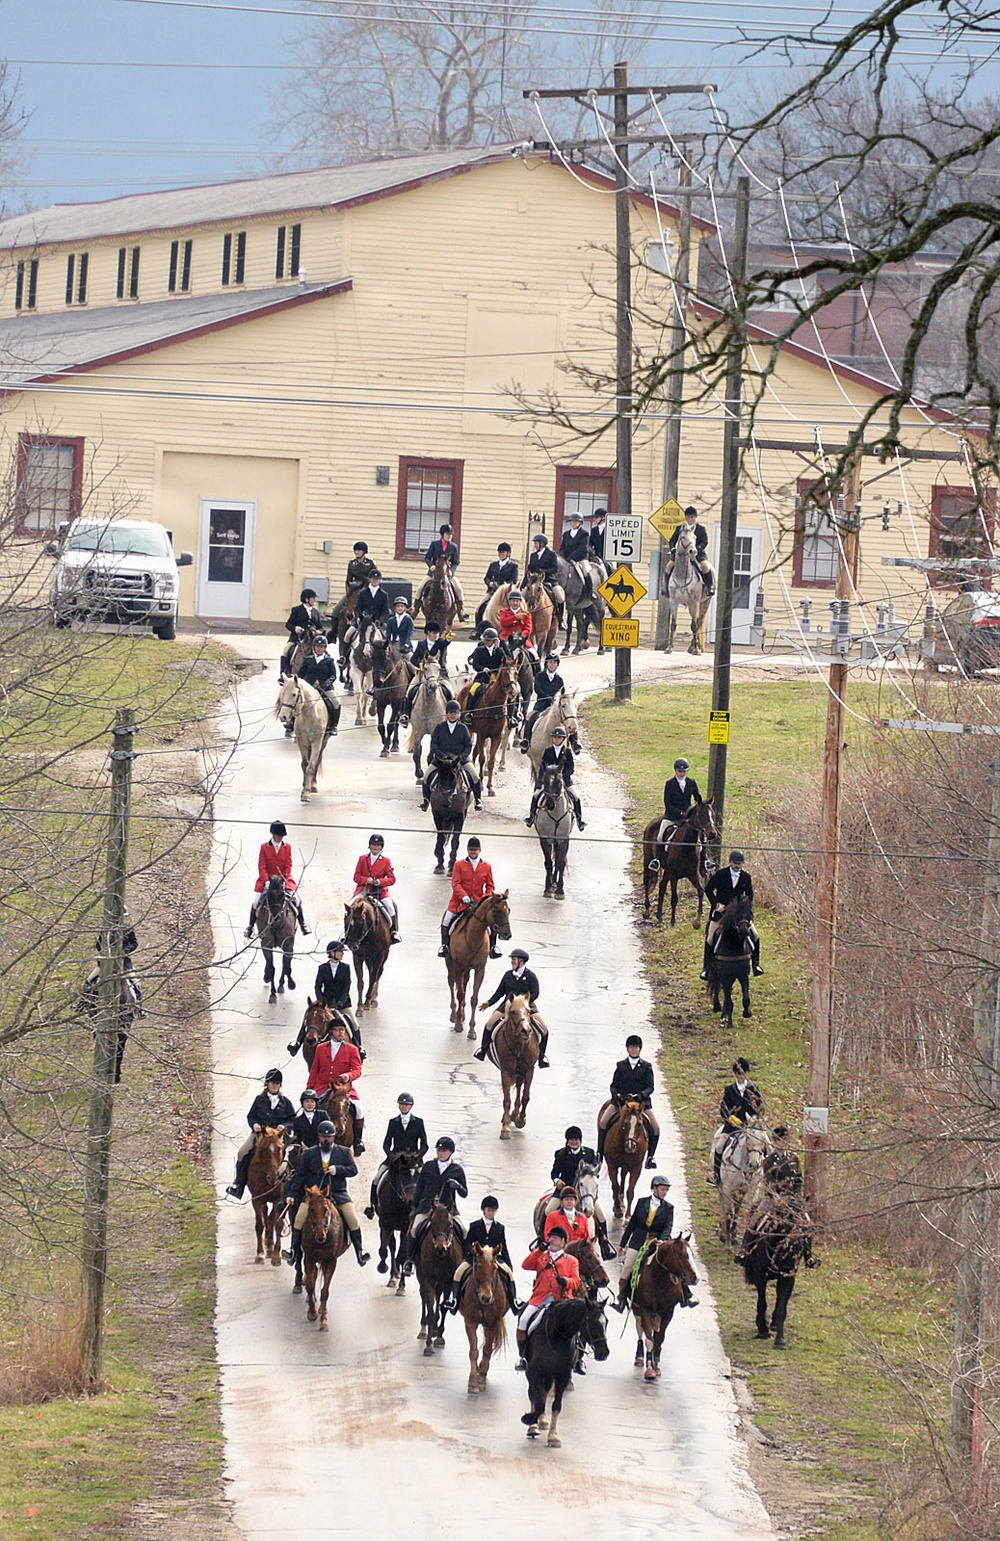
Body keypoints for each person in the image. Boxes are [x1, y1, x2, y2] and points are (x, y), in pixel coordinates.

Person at [282, 1118, 370, 1269]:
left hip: (338, 1193)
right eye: (323, 1136)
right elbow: (301, 1175)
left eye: (329, 1137)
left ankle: (360, 1252)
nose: (326, 1139)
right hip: (313, 1196)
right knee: (298, 1219)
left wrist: (338, 1170)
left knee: (353, 1219)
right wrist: (292, 1194)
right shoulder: (309, 1154)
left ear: (334, 1137)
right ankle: (293, 1251)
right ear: (319, 1137)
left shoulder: (343, 1152)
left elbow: (353, 1170)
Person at [613, 1176, 698, 1312]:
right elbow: (632, 1224)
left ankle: (686, 1295)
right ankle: (622, 1299)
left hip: (657, 1243)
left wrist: (663, 1240)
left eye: (666, 1190)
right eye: (663, 1189)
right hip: (638, 1242)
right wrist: (623, 1244)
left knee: (674, 1263)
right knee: (628, 1265)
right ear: (654, 1188)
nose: (664, 1192)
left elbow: (668, 1226)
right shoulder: (641, 1203)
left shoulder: (669, 1208)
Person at [400, 1136, 468, 1274]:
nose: (441, 1153)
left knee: (465, 1230)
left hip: (448, 1209)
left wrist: (458, 1186)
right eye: (439, 1150)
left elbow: (464, 1193)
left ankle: (466, 1262)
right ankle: (409, 1261)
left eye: (444, 1150)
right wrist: (415, 1208)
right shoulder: (429, 1166)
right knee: (414, 1229)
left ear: (450, 1152)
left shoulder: (457, 1170)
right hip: (427, 1207)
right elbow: (419, 1187)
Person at [515, 1227, 580, 1371]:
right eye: (551, 1237)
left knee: (578, 1325)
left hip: (562, 1300)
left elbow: (576, 1281)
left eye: (556, 1238)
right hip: (540, 1298)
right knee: (523, 1320)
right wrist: (538, 1250)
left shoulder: (571, 1261)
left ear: (563, 1242)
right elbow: (525, 1265)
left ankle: (578, 1360)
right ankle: (523, 1357)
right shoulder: (541, 1256)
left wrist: (566, 1281)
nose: (553, 1240)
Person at [473, 946, 549, 1068]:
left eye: (515, 960)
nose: (512, 962)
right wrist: (489, 1003)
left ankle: (542, 1057)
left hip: (527, 1007)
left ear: (522, 962)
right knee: (489, 1024)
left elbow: (535, 992)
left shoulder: (530, 976)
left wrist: (524, 1004)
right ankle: (483, 1050)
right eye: (512, 960)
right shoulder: (508, 975)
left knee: (544, 1029)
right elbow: (500, 992)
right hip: (507, 1006)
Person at [546, 1126, 615, 1259]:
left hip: (585, 1191)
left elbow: (595, 1170)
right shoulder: (560, 1154)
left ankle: (604, 1243)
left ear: (580, 1140)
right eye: (571, 1140)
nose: (574, 1142)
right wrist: (556, 1180)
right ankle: (542, 1241)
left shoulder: (589, 1153)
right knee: (548, 1211)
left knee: (601, 1215)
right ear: (567, 1141)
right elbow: (554, 1172)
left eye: (576, 1139)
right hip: (564, 1190)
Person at [226, 1068, 296, 1198]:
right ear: (267, 1084)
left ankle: (295, 1187)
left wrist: (285, 1126)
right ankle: (238, 1185)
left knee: (294, 1155)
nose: (275, 1086)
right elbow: (251, 1116)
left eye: (277, 1083)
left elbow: (292, 1119)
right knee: (242, 1153)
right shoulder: (259, 1100)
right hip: (261, 1135)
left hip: (279, 1136)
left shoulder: (285, 1102)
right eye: (272, 1083)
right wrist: (254, 1125)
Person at [597, 1035, 660, 1169]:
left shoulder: (646, 1066)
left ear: (640, 1049)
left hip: (641, 1104)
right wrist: (618, 1095)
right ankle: (600, 1153)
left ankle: (651, 1157)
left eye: (636, 1048)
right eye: (631, 1047)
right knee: (603, 1122)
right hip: (621, 1103)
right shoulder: (621, 1065)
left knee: (655, 1127)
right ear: (627, 1049)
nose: (633, 1050)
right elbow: (613, 1085)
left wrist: (639, 1096)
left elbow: (650, 1087)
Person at [291, 938, 362, 1055]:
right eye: (340, 951)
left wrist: (340, 1003)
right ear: (332, 953)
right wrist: (320, 1001)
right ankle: (297, 1043)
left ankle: (359, 1047)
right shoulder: (323, 968)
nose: (342, 953)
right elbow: (317, 986)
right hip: (325, 1002)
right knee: (309, 1017)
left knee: (353, 1023)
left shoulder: (346, 968)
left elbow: (346, 988)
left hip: (343, 1003)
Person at [306, 1018, 366, 1154]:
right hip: (322, 1087)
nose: (341, 1033)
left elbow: (358, 1069)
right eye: (338, 1030)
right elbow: (314, 1070)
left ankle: (358, 1141)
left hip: (343, 1088)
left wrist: (348, 1076)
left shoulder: (352, 1049)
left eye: (343, 1030)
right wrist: (309, 1089)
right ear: (331, 1032)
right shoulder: (320, 1048)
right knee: (309, 1109)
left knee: (359, 1109)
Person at [448, 1195, 518, 1311]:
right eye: (489, 1210)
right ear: (484, 1210)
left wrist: (508, 1263)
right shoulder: (475, 1225)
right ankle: (454, 1300)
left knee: (509, 1274)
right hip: (476, 1258)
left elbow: (503, 1247)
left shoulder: (500, 1228)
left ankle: (514, 1301)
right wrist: (472, 1250)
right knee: (458, 1272)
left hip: (493, 1259)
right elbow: (467, 1242)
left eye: (493, 1210)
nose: (491, 1213)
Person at [701, 850, 764, 978]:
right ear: (730, 862)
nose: (737, 866)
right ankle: (706, 968)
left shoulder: (746, 877)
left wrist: (744, 906)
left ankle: (756, 964)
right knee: (710, 938)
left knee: (755, 935)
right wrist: (716, 904)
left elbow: (750, 895)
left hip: (739, 916)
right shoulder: (721, 874)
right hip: (721, 913)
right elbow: (708, 889)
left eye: (739, 863)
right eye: (735, 863)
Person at [365, 1092, 428, 1218]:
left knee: (426, 1179)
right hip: (396, 1160)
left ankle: (426, 1208)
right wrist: (391, 1156)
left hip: (413, 1160)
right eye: (402, 1104)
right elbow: (386, 1144)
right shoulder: (393, 1122)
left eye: (406, 1104)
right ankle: (372, 1205)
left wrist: (418, 1156)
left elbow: (425, 1145)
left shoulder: (419, 1122)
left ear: (411, 1106)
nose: (404, 1107)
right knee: (377, 1178)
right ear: (398, 1106)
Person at [245, 820, 310, 938]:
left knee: (296, 900)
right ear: (273, 834)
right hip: (267, 881)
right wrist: (266, 881)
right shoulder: (264, 847)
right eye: (279, 835)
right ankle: (250, 927)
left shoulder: (287, 847)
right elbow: (262, 866)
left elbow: (288, 865)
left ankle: (303, 924)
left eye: (282, 836)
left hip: (283, 880)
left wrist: (283, 879)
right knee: (256, 902)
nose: (281, 838)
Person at [438, 836, 501, 958]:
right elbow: (455, 883)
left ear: (480, 851)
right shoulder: (459, 864)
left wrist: (485, 899)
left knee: (492, 923)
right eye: (471, 849)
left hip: (479, 903)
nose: (473, 852)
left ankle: (493, 947)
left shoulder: (487, 866)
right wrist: (463, 896)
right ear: (467, 850)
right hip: (459, 903)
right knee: (446, 920)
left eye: (475, 849)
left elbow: (490, 886)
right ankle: (444, 946)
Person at [709, 1057, 764, 1186]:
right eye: (739, 1074)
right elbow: (723, 1109)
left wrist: (754, 1118)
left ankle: (765, 1175)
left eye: (744, 1074)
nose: (742, 1077)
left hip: (750, 1127)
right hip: (732, 1127)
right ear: (735, 1074)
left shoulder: (754, 1090)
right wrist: (730, 1118)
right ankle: (716, 1175)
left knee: (766, 1145)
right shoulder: (729, 1090)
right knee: (719, 1146)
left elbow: (760, 1109)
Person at [421, 699, 483, 812]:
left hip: (459, 759)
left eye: (455, 713)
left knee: (475, 776)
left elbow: (468, 745)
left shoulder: (463, 728)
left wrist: (462, 757)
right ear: (446, 714)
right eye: (450, 713)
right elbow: (434, 744)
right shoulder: (439, 727)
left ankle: (478, 800)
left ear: (459, 714)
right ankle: (425, 800)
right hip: (441, 760)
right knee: (426, 777)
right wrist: (441, 756)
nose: (453, 716)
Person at [525, 723, 585, 830]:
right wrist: (540, 781)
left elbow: (570, 768)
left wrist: (562, 776)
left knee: (576, 797)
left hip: (564, 780)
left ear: (563, 739)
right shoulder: (548, 751)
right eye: (555, 738)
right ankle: (531, 817)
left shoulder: (567, 752)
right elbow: (543, 766)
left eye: (559, 738)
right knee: (536, 795)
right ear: (552, 738)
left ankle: (579, 820)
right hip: (548, 780)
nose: (557, 740)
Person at [351, 832, 401, 943]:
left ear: (381, 847)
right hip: (364, 891)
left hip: (380, 892)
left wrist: (380, 881)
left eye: (378, 845)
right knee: (350, 908)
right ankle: (346, 933)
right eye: (373, 845)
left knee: (391, 907)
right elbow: (356, 877)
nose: (375, 847)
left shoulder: (386, 861)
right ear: (369, 846)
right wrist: (365, 880)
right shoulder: (362, 859)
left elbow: (392, 879)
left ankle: (394, 932)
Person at [402, 621, 454, 720]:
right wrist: (420, 665)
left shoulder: (440, 643)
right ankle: (405, 715)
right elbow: (413, 659)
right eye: (434, 633)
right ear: (428, 633)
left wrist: (449, 637)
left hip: (439, 673)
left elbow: (446, 642)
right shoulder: (421, 644)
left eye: (437, 633)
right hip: (423, 673)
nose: (436, 635)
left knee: (450, 692)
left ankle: (452, 714)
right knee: (409, 691)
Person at [653, 757, 703, 858]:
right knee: (660, 836)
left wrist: (700, 805)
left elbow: (698, 798)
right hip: (672, 817)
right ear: (675, 771)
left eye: (684, 771)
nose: (682, 774)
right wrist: (680, 813)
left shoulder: (691, 782)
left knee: (702, 837)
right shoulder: (670, 783)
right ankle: (657, 860)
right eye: (680, 771)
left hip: (687, 818)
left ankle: (704, 861)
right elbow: (668, 803)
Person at [665, 504, 715, 596]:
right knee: (669, 566)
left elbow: (705, 541)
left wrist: (698, 548)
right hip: (681, 554)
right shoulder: (680, 528)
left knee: (706, 566)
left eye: (692, 517)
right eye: (688, 517)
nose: (690, 519)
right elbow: (672, 540)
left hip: (696, 553)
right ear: (685, 517)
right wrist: (672, 548)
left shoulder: (700, 529)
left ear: (695, 517)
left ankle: (709, 586)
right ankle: (666, 588)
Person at [422, 523, 467, 619]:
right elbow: (427, 558)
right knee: (420, 587)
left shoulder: (454, 547)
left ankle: (461, 610)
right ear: (442, 534)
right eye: (447, 534)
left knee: (459, 589)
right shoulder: (434, 544)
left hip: (447, 574)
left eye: (451, 534)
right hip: (434, 573)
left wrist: (451, 571)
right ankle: (415, 608)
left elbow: (456, 562)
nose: (450, 536)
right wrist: (431, 566)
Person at [298, 633, 341, 734]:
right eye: (317, 646)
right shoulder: (308, 659)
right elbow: (301, 674)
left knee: (336, 702)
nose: (319, 649)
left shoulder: (329, 660)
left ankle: (333, 726)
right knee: (296, 701)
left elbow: (333, 675)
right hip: (310, 687)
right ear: (314, 647)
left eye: (321, 647)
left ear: (324, 648)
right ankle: (291, 723)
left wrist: (326, 684)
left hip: (325, 687)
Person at [521, 652, 565, 749]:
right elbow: (538, 689)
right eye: (550, 662)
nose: (552, 664)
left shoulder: (559, 679)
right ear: (546, 663)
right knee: (530, 718)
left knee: (569, 719)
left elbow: (561, 692)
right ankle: (526, 741)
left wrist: (556, 700)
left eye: (554, 663)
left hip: (555, 706)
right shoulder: (540, 676)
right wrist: (548, 697)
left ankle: (574, 743)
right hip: (541, 704)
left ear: (557, 664)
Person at [474, 542, 519, 635]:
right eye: (500, 552)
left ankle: (516, 631)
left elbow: (514, 580)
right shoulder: (493, 565)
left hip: (505, 593)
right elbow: (486, 577)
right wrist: (490, 583)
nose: (501, 554)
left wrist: (503, 585)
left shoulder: (513, 566)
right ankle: (477, 630)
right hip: (492, 592)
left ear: (508, 553)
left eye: (503, 552)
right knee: (478, 608)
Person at [329, 541, 378, 625]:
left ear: (364, 552)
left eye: (359, 550)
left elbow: (374, 579)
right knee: (336, 611)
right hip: (354, 590)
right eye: (355, 550)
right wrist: (349, 593)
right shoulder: (352, 564)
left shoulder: (370, 563)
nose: (357, 552)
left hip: (367, 590)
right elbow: (348, 580)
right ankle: (333, 633)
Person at [281, 588, 324, 677]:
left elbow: (320, 626)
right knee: (286, 650)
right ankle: (283, 673)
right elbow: (288, 624)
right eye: (313, 598)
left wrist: (319, 631)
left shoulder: (315, 612)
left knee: (323, 650)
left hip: (312, 639)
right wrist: (295, 628)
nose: (315, 600)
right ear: (306, 599)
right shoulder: (296, 610)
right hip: (297, 638)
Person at [466, 627, 510, 703]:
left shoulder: (499, 650)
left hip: (497, 677)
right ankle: (470, 711)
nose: (487, 642)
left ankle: (513, 713)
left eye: (489, 640)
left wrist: (498, 647)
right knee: (473, 691)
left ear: (494, 640)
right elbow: (475, 665)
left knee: (512, 693)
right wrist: (483, 669)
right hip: (482, 677)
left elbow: (505, 661)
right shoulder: (479, 650)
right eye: (486, 640)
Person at [353, 568, 393, 647]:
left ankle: (387, 656)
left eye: (377, 579)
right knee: (348, 635)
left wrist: (380, 620)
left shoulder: (384, 595)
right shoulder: (362, 593)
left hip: (377, 623)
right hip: (363, 622)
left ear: (379, 580)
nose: (375, 580)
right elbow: (357, 608)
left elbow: (385, 611)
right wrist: (359, 618)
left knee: (388, 638)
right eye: (373, 579)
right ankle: (344, 656)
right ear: (370, 579)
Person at [527, 532, 564, 615]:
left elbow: (555, 569)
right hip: (534, 582)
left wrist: (543, 571)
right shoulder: (533, 555)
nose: (534, 545)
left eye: (536, 543)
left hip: (549, 580)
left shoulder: (551, 554)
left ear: (542, 544)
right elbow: (529, 570)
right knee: (522, 594)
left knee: (560, 597)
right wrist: (523, 585)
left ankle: (560, 619)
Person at [497, 588, 537, 663]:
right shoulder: (504, 611)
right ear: (509, 601)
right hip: (507, 638)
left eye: (517, 601)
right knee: (497, 653)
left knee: (535, 655)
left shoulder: (526, 614)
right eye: (513, 601)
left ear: (520, 602)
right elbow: (503, 623)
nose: (515, 603)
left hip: (522, 640)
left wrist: (521, 636)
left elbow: (528, 629)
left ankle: (537, 672)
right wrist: (515, 617)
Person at [559, 511, 593, 596]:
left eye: (576, 521)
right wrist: (563, 556)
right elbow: (562, 547)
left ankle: (590, 591)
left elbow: (582, 548)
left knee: (586, 571)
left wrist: (571, 557)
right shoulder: (566, 534)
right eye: (572, 521)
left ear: (580, 523)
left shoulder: (584, 534)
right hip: (567, 559)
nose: (574, 523)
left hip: (580, 558)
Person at [589, 508, 609, 574]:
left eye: (596, 517)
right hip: (596, 555)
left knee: (613, 568)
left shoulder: (610, 529)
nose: (594, 519)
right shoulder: (594, 530)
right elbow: (590, 543)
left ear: (603, 518)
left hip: (608, 556)